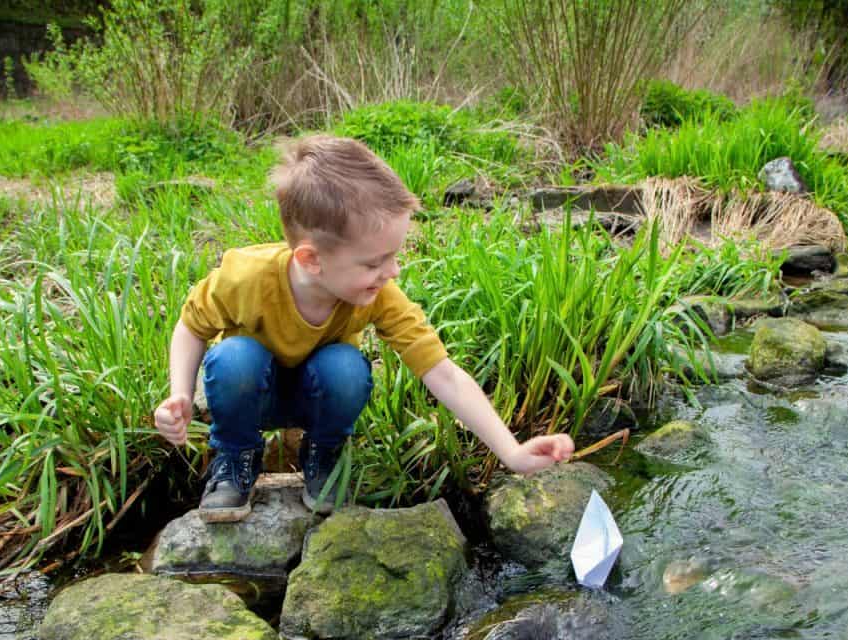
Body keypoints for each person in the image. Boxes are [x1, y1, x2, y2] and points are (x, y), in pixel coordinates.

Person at [153, 135, 574, 522]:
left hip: (316, 399)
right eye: (374, 262)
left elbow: (443, 373)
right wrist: (179, 394)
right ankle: (236, 457)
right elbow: (190, 327)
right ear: (311, 260)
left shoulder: (380, 294)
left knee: (346, 367)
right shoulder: (244, 277)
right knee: (234, 358)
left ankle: (324, 453)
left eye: (393, 256)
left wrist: (511, 451)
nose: (391, 272)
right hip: (250, 395)